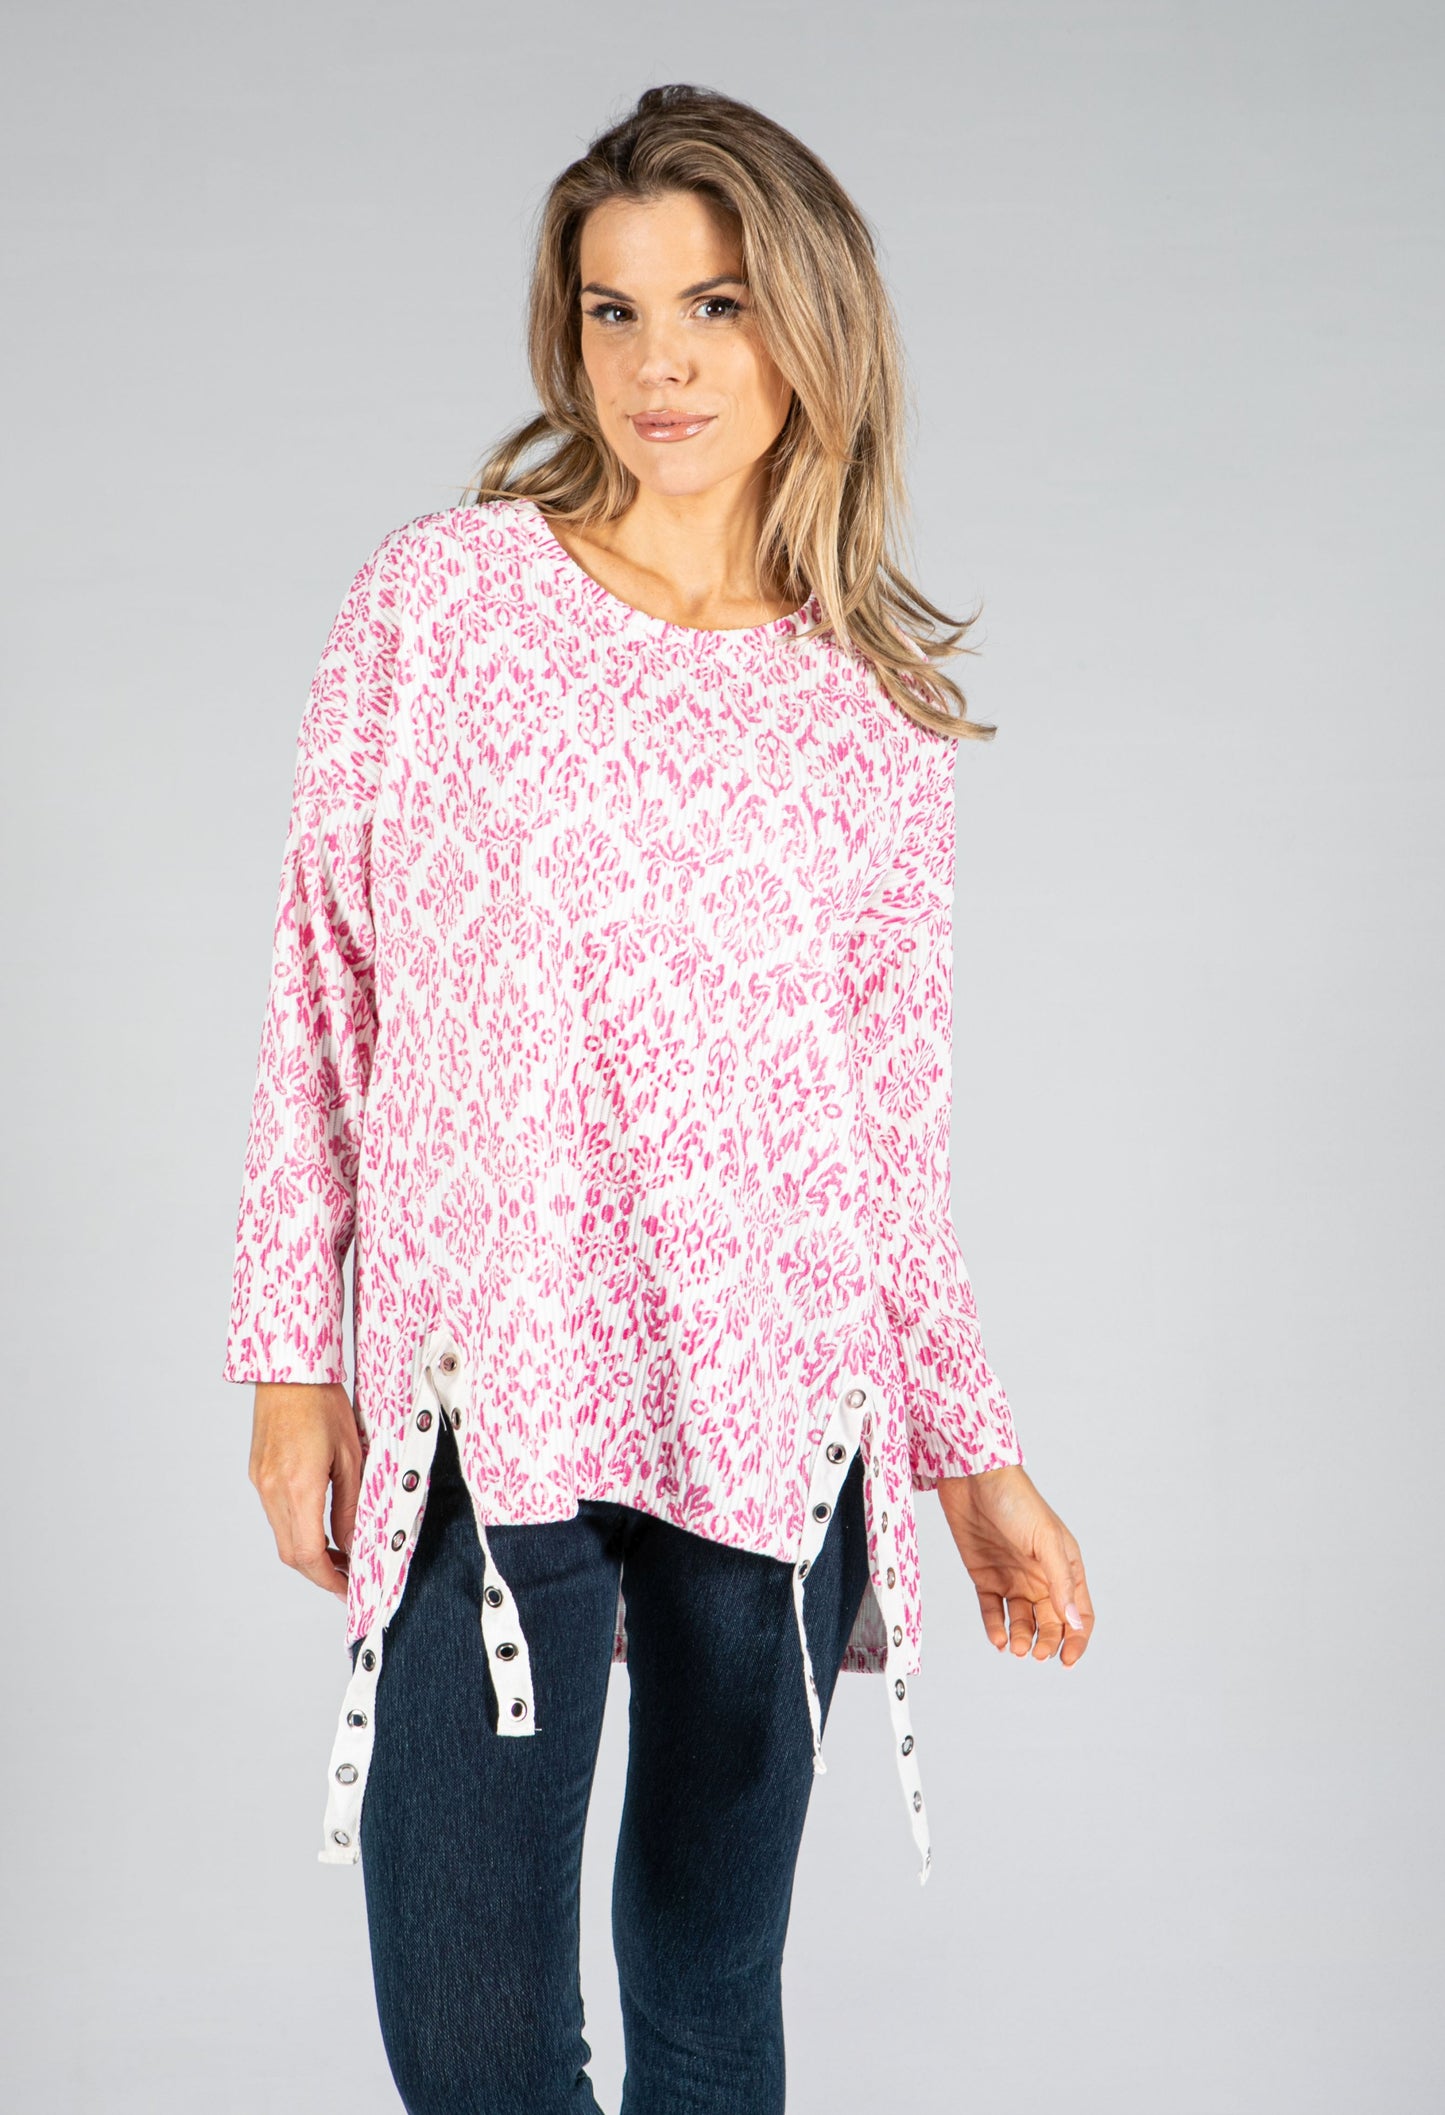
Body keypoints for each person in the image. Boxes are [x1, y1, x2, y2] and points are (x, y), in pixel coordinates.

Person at [224, 81, 1094, 2115]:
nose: (659, 365)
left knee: (708, 1991)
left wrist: (973, 1463)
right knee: (476, 2040)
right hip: (493, 1382)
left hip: (776, 1409)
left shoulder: (872, 711)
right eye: (612, 312)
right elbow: (322, 980)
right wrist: (288, 1356)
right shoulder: (442, 606)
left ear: (809, 325)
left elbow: (889, 1134)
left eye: (712, 305)